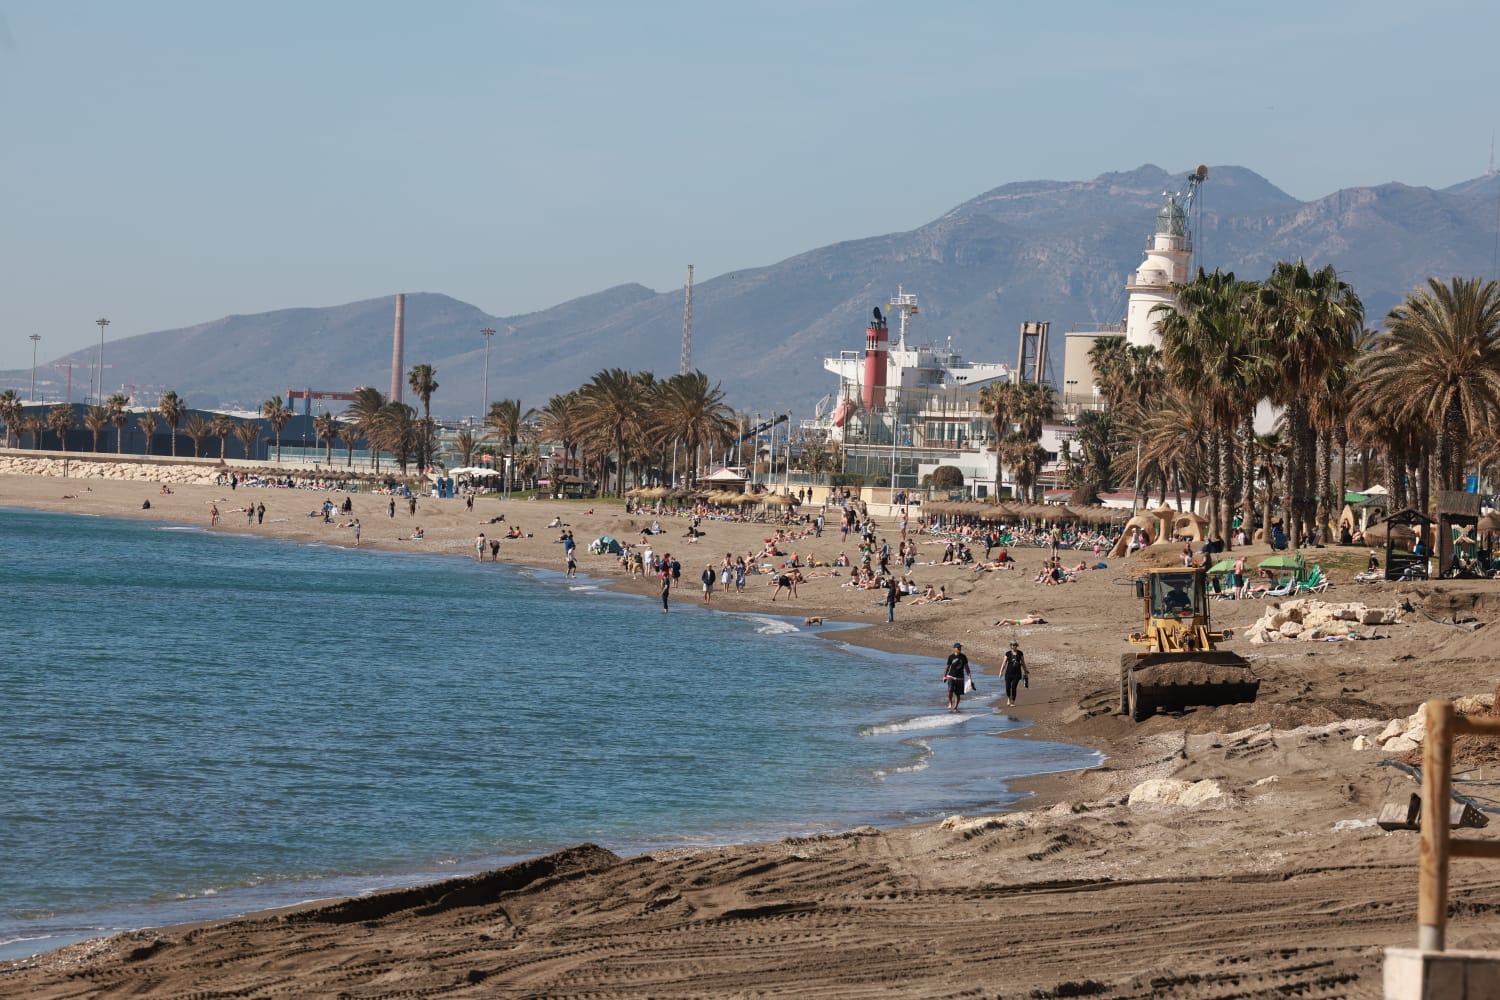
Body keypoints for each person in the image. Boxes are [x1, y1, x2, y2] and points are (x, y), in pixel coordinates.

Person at [944, 642, 972, 713]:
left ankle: (955, 707)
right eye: (958, 647)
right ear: (954, 649)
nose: (959, 648)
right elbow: (947, 667)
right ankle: (950, 702)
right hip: (951, 676)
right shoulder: (951, 657)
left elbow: (966, 667)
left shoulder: (963, 657)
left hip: (960, 678)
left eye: (960, 647)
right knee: (950, 691)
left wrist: (969, 676)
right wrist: (944, 676)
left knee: (958, 694)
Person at [1002, 640, 1029, 707]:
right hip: (1008, 674)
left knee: (1014, 687)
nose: (1012, 646)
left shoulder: (1020, 653)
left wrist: (1026, 671)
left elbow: (1023, 663)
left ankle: (1012, 702)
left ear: (1016, 645)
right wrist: (1000, 671)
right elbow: (1004, 663)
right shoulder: (1007, 653)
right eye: (1011, 645)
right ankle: (1008, 698)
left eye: (1014, 645)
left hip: (1017, 674)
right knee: (1008, 687)